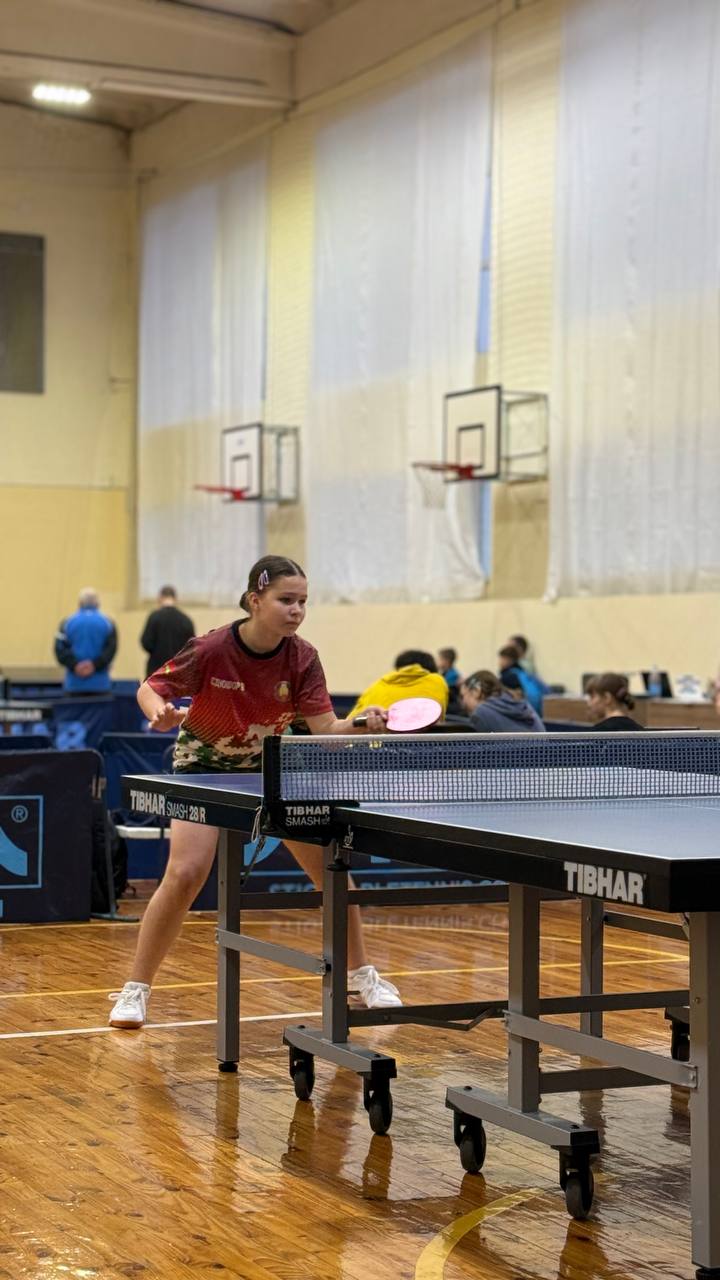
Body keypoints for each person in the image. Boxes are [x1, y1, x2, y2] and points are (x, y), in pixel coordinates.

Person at [109, 555, 402, 1029]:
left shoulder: (303, 658)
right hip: (203, 770)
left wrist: (362, 724)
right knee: (184, 874)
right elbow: (150, 687)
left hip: (269, 770)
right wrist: (158, 711)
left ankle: (363, 975)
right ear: (255, 600)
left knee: (332, 871)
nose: (297, 610)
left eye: (303, 601)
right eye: (286, 600)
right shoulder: (211, 649)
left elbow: (325, 730)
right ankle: (135, 990)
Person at [348, 650, 449, 721]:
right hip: (422, 744)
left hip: (371, 744)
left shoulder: (377, 685)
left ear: (398, 669)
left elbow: (350, 721)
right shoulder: (438, 681)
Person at [54, 587, 117, 694]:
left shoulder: (67, 623)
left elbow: (60, 650)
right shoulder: (108, 623)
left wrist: (75, 665)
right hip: (100, 685)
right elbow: (111, 650)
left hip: (74, 685)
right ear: (97, 603)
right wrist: (94, 666)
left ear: (79, 603)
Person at [460, 670, 546, 733]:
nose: (463, 702)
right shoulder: (526, 705)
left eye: (463, 696)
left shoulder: (480, 713)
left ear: (476, 691)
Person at [141, 585, 195, 678]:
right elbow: (192, 647)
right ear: (175, 598)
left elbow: (146, 643)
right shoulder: (185, 620)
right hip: (178, 672)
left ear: (160, 598)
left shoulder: (154, 617)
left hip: (157, 672)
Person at [498, 644, 545, 715]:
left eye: (502, 658)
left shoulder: (509, 676)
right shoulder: (521, 671)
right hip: (531, 711)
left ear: (510, 660)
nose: (500, 662)